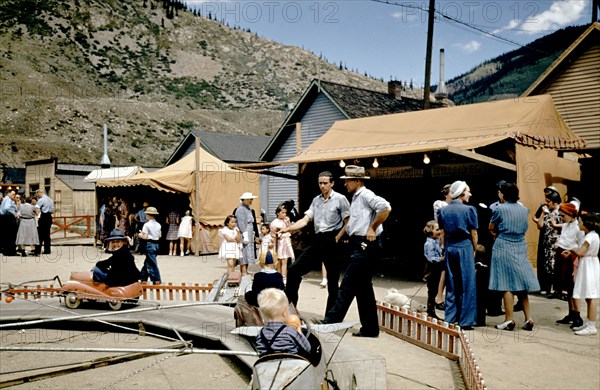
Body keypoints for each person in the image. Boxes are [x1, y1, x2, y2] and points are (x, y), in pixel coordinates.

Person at [322, 165, 391, 338]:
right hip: (358, 242)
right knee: (363, 289)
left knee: (348, 283)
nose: (345, 184)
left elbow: (386, 208)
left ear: (357, 181)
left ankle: (331, 321)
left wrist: (372, 228)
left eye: (348, 181)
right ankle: (370, 328)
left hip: (365, 243)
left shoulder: (365, 195)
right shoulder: (356, 197)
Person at [282, 171, 350, 316]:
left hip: (333, 240)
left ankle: (331, 317)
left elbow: (348, 222)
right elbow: (305, 219)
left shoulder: (340, 199)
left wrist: (338, 237)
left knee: (332, 281)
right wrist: (289, 228)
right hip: (318, 239)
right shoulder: (316, 200)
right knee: (294, 270)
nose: (322, 186)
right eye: (320, 183)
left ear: (332, 183)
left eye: (325, 183)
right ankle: (289, 309)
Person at [488, 182, 540, 331]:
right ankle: (528, 317)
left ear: (503, 194)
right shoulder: (524, 210)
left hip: (503, 244)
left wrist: (496, 233)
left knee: (506, 283)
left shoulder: (500, 209)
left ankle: (509, 319)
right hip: (520, 244)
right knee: (521, 282)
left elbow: (491, 227)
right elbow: (525, 227)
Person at [438, 180, 478, 330]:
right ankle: (466, 320)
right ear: (462, 193)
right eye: (468, 191)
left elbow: (442, 233)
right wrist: (474, 250)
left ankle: (450, 317)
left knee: (452, 282)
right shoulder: (469, 210)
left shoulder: (442, 210)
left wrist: (444, 248)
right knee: (467, 284)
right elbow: (474, 233)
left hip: (450, 247)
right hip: (464, 247)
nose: (470, 194)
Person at [563, 211, 599, 336]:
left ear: (587, 223)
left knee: (591, 296)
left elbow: (581, 252)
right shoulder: (592, 235)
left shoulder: (589, 237)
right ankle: (589, 323)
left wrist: (572, 248)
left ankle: (592, 325)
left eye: (581, 221)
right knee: (589, 296)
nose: (579, 223)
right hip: (589, 264)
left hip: (589, 265)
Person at [552, 202, 584, 328]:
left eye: (563, 215)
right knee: (566, 287)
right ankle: (571, 313)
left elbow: (581, 246)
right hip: (562, 253)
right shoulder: (565, 225)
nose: (561, 218)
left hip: (571, 257)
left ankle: (577, 314)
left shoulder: (578, 228)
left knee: (573, 286)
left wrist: (571, 253)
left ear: (571, 215)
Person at [256, 288, 311, 357]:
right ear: (284, 312)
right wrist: (299, 330)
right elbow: (307, 348)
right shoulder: (290, 331)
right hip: (290, 365)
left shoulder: (260, 334)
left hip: (267, 365)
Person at [533, 187, 562, 296]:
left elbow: (569, 224)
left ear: (555, 202)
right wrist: (543, 213)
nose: (547, 204)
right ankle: (547, 287)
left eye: (549, 202)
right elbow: (539, 225)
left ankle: (557, 288)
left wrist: (555, 225)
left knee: (556, 266)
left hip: (557, 242)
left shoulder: (561, 211)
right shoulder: (546, 210)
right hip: (547, 243)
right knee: (547, 265)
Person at [433, 184, 452, 311]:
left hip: (451, 239)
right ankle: (438, 297)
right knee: (443, 269)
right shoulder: (439, 204)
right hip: (443, 239)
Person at [423, 220, 444, 320]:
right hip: (432, 268)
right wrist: (441, 259)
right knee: (432, 289)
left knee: (435, 289)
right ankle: (430, 311)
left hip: (437, 267)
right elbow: (431, 258)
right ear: (430, 232)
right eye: (437, 230)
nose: (439, 231)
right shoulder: (429, 244)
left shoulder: (437, 240)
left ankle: (431, 310)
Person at [235, 192, 259, 276]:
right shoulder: (240, 209)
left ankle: (246, 269)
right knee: (244, 252)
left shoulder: (248, 209)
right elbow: (241, 223)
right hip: (244, 233)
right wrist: (244, 234)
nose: (250, 201)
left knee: (248, 252)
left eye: (251, 199)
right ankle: (243, 270)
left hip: (249, 232)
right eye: (249, 199)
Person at [138, 206, 162, 284]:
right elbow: (159, 235)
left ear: (148, 215)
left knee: (152, 263)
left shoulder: (146, 225)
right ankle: (143, 277)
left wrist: (140, 235)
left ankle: (156, 279)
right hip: (156, 244)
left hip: (150, 244)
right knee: (148, 262)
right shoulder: (158, 225)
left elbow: (144, 237)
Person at [270, 204, 294, 282]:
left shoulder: (286, 221)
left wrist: (288, 223)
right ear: (278, 213)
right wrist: (278, 236)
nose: (284, 214)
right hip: (279, 242)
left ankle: (284, 277)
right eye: (282, 212)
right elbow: (272, 234)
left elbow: (290, 230)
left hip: (286, 241)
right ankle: (278, 276)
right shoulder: (274, 222)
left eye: (285, 213)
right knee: (279, 260)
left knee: (285, 260)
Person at [0, 189, 19, 256]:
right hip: (9, 218)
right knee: (11, 235)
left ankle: (7, 251)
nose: (14, 195)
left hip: (5, 218)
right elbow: (7, 207)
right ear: (8, 193)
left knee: (7, 235)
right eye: (13, 194)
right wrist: (14, 213)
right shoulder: (8, 199)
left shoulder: (7, 199)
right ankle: (10, 251)